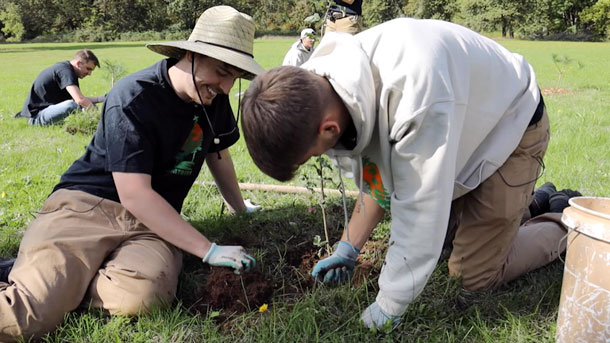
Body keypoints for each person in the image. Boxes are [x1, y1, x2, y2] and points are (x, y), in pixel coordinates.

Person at [240, 18, 581, 329]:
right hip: (461, 134)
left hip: (509, 127)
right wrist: (347, 247)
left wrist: (390, 303)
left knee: (472, 275)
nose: (321, 158)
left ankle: (566, 220)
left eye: (312, 155)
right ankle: (526, 204)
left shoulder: (413, 96)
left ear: (329, 129)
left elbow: (420, 212)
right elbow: (381, 179)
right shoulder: (317, 86)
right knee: (448, 242)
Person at [0, 6, 264, 342]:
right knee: (26, 318)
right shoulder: (134, 95)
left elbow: (218, 153)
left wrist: (239, 207)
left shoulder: (213, 100)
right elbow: (134, 193)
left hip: (154, 221)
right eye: (222, 71)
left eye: (234, 77)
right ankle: (41, 281)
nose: (226, 87)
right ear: (190, 54)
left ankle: (59, 280)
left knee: (142, 299)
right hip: (88, 206)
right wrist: (208, 249)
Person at [17, 49, 106, 126]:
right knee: (73, 106)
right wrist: (99, 118)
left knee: (88, 105)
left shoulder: (67, 70)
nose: (89, 73)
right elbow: (79, 100)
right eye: (88, 69)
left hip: (47, 111)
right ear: (78, 63)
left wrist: (102, 98)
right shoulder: (65, 71)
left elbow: (77, 99)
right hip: (36, 118)